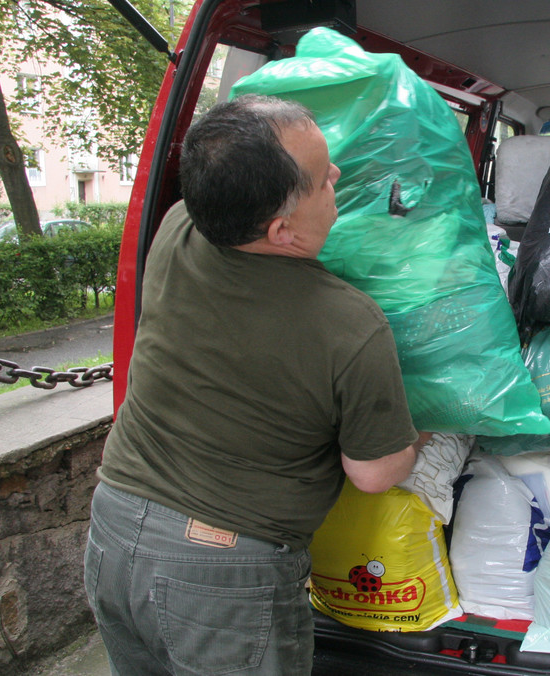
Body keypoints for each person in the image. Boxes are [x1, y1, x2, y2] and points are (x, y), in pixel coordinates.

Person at [84, 94, 424, 676]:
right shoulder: (349, 324)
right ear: (281, 230)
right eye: (323, 179)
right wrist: (427, 430)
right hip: (220, 576)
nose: (337, 175)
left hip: (113, 530)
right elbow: (375, 473)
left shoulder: (177, 227)